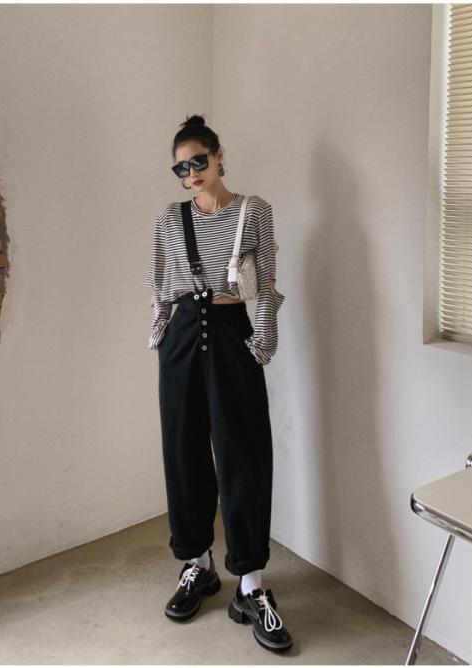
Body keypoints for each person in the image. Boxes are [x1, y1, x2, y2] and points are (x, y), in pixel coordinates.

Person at [146, 114, 291, 653]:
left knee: (244, 454)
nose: (191, 174)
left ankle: (250, 583)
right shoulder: (171, 218)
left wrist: (263, 340)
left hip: (232, 333)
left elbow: (267, 279)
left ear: (219, 155)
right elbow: (158, 280)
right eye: (181, 168)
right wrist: (160, 333)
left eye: (198, 161)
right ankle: (198, 564)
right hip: (182, 337)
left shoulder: (254, 211)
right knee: (184, 452)